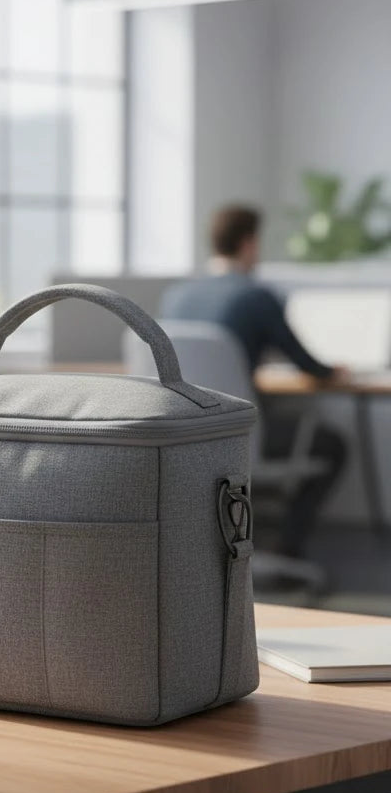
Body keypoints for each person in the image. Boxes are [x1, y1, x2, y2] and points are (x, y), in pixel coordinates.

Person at [160, 203, 348, 560]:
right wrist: (336, 372)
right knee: (334, 444)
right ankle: (288, 548)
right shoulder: (256, 296)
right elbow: (305, 362)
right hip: (240, 433)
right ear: (249, 243)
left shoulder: (176, 296)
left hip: (187, 436)